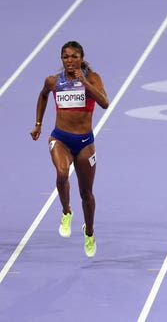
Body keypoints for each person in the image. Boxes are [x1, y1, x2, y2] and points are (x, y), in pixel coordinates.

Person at [30, 41, 109, 257]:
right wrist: (38, 124)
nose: (70, 60)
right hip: (61, 138)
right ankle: (66, 211)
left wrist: (85, 83)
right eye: (66, 57)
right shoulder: (54, 81)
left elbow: (105, 103)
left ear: (81, 58)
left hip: (84, 142)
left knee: (86, 193)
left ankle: (89, 232)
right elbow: (43, 95)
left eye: (74, 56)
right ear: (61, 60)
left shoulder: (92, 78)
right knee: (62, 173)